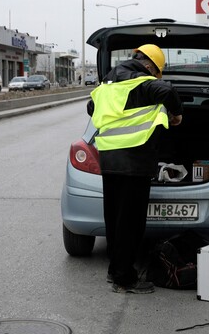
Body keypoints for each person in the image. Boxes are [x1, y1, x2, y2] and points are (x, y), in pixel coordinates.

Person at [86, 44, 183, 294]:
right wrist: (176, 115)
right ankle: (125, 279)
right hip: (134, 160)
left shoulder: (108, 82)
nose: (154, 76)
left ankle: (115, 269)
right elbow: (167, 90)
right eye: (155, 72)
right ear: (149, 65)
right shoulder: (139, 81)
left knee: (115, 219)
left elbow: (91, 108)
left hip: (109, 158)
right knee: (131, 223)